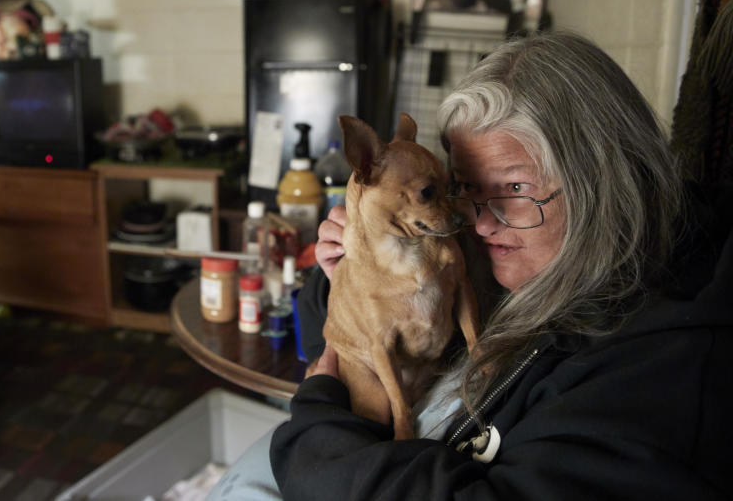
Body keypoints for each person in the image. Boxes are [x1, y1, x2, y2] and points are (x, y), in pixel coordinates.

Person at [207, 31, 732, 500]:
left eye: (515, 188)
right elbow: (332, 327)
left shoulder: (666, 366)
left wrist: (319, 444)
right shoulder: (529, 262)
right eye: (468, 188)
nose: (480, 223)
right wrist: (342, 273)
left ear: (608, 183)